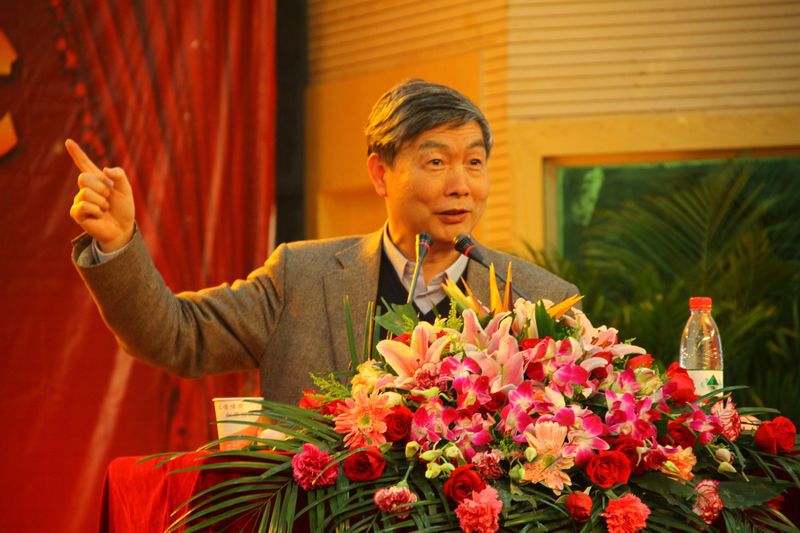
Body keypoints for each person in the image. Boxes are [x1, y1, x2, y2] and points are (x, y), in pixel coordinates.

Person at [68, 79, 578, 403]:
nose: (461, 185)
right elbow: (176, 336)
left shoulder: (539, 301)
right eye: (437, 161)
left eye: (474, 162)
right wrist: (118, 243)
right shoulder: (301, 277)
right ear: (380, 174)